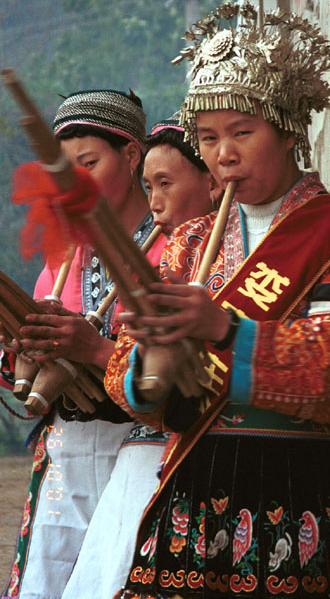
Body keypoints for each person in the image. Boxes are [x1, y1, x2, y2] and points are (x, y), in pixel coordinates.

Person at [105, 3, 330, 599]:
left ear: (289, 130)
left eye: (243, 132)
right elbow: (125, 373)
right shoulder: (189, 243)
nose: (224, 154)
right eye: (210, 138)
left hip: (305, 488)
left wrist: (223, 329)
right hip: (198, 478)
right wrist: (150, 362)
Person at [0, 89, 165, 599]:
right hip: (66, 456)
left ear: (132, 156)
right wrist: (23, 352)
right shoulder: (63, 254)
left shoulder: (176, 243)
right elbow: (22, 384)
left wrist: (97, 349)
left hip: (145, 451)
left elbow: (184, 367)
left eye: (89, 163)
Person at [59, 115, 220, 599]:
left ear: (211, 182)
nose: (154, 202)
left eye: (165, 183)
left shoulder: (188, 252)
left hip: (182, 451)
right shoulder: (164, 256)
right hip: (109, 451)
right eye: (149, 186)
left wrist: (95, 350)